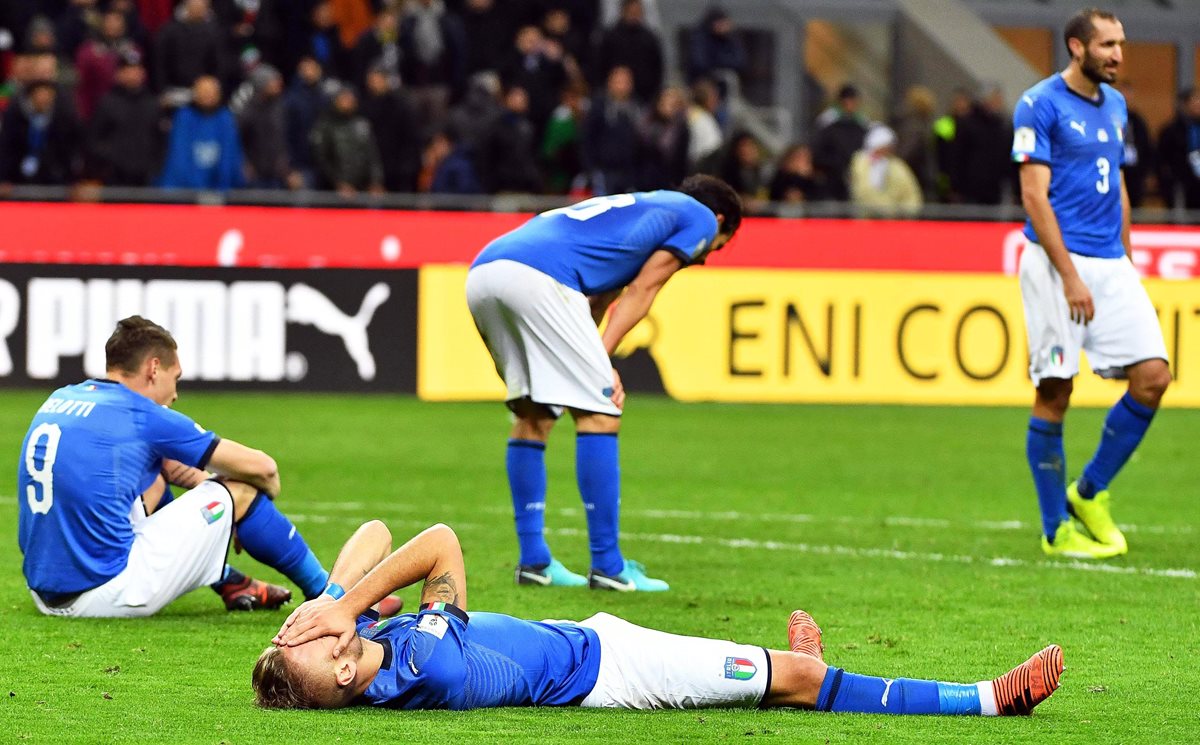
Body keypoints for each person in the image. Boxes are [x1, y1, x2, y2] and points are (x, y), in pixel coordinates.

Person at [256, 520, 1063, 716]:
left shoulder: (371, 646)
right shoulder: (422, 664)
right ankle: (990, 698)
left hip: (596, 635)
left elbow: (374, 538)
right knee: (803, 680)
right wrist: (342, 604)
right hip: (614, 674)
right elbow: (437, 542)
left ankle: (774, 665)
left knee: (778, 674)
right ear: (337, 669)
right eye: (318, 639)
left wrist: (328, 599)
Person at [462, 175, 742, 592]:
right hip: (540, 278)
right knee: (601, 410)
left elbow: (600, 300)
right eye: (720, 244)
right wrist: (601, 364)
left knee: (534, 414)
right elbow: (643, 290)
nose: (704, 256)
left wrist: (590, 358)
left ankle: (534, 561)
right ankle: (609, 567)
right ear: (720, 219)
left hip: (485, 272)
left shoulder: (637, 212)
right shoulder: (699, 217)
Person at [17, 317, 325, 616]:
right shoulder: (142, 415)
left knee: (156, 479)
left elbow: (166, 464)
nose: (175, 393)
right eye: (175, 377)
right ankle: (325, 594)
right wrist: (251, 500)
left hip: (44, 594)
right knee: (242, 491)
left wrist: (218, 507)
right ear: (153, 368)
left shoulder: (62, 397)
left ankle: (231, 581)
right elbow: (264, 469)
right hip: (104, 591)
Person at [1012, 8, 1171, 559]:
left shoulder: (1118, 104)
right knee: (1056, 388)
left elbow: (1117, 182)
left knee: (1154, 376)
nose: (1118, 55)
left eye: (1121, 44)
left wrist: (1126, 257)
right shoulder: (1039, 104)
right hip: (1056, 262)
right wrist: (1072, 276)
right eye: (1106, 45)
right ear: (1076, 47)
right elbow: (1035, 195)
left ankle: (1089, 492)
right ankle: (1056, 528)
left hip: (1110, 262)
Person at [849, 124, 923, 218]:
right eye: (883, 147)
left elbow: (911, 194)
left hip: (893, 222)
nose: (887, 151)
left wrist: (905, 213)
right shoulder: (861, 163)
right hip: (866, 221)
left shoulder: (898, 166)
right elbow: (862, 190)